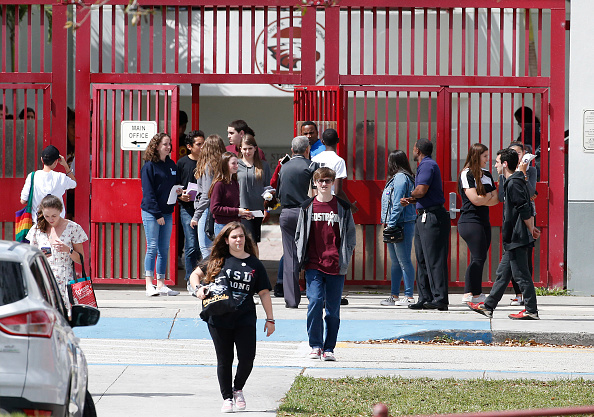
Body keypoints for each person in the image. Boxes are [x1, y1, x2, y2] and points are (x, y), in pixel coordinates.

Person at [195, 222, 275, 413]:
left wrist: (270, 319)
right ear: (226, 240)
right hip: (219, 317)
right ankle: (227, 398)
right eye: (234, 237)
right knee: (224, 359)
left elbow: (264, 293)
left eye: (241, 236)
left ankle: (237, 388)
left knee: (247, 359)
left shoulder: (255, 264)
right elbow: (195, 275)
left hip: (245, 318)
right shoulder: (217, 259)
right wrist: (199, 289)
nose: (238, 240)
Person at [468, 148, 541, 320]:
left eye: (497, 162)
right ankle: (488, 306)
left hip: (517, 236)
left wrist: (530, 228)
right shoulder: (513, 181)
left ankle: (531, 310)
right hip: (513, 236)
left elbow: (524, 207)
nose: (495, 165)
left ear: (505, 164)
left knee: (522, 275)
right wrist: (531, 227)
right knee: (503, 273)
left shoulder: (514, 182)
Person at [295, 167, 356, 361]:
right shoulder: (306, 207)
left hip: (336, 265)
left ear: (333, 183)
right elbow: (298, 236)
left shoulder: (343, 208)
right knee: (314, 303)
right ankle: (315, 345)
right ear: (315, 183)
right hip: (314, 265)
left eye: (327, 181)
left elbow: (351, 237)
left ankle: (329, 347)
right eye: (320, 181)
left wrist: (344, 256)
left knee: (333, 310)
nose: (323, 184)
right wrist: (300, 260)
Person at [401, 138, 450, 311]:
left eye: (413, 148)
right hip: (423, 216)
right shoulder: (425, 165)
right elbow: (422, 194)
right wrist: (411, 200)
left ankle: (440, 299)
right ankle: (425, 297)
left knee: (434, 259)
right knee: (422, 259)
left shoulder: (428, 165)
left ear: (417, 150)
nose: (412, 151)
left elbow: (421, 190)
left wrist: (410, 193)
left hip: (432, 217)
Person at [277, 136, 318, 308]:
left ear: (292, 150)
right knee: (312, 255)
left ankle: (291, 300)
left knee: (290, 256)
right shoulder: (311, 166)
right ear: (307, 149)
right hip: (305, 212)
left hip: (286, 213)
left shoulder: (283, 167)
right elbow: (317, 194)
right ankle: (314, 295)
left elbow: (278, 192)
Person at [26, 195, 88, 308]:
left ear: (61, 211)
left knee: (65, 315)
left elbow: (81, 259)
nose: (50, 219)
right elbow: (30, 257)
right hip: (43, 277)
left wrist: (68, 250)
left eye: (54, 216)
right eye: (46, 216)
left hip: (65, 278)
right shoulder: (37, 229)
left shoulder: (73, 228)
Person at [140, 132, 181, 297]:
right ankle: (149, 283)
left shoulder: (171, 165)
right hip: (152, 212)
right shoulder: (149, 166)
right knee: (152, 247)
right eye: (165, 144)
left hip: (167, 212)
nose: (168, 147)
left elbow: (175, 185)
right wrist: (157, 214)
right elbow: (148, 193)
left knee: (164, 248)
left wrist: (180, 191)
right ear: (156, 146)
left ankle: (161, 283)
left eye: (169, 144)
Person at [458, 143, 499, 304]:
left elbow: (496, 199)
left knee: (481, 256)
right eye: (485, 156)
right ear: (476, 156)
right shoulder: (466, 174)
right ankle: (468, 292)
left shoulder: (487, 174)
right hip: (470, 220)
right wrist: (486, 198)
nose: (488, 160)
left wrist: (484, 199)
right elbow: (474, 199)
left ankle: (477, 293)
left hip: (483, 220)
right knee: (477, 256)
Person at [501, 141, 538, 306]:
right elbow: (504, 193)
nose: (517, 156)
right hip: (512, 216)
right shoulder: (505, 172)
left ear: (524, 154)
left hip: (527, 216)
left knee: (523, 259)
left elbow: (531, 193)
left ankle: (527, 300)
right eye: (513, 153)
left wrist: (521, 174)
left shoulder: (531, 171)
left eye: (518, 153)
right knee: (510, 262)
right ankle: (518, 294)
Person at [379, 150, 417, 306]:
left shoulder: (401, 178)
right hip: (394, 224)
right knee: (396, 262)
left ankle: (408, 296)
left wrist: (391, 223)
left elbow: (397, 203)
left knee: (404, 261)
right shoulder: (396, 178)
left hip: (401, 224)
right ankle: (394, 296)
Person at [177, 130, 205, 293]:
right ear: (189, 147)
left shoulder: (207, 163)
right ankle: (190, 278)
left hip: (203, 209)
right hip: (187, 208)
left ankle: (202, 276)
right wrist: (182, 196)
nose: (202, 147)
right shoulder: (182, 163)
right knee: (191, 245)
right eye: (198, 144)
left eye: (203, 144)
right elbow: (176, 187)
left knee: (204, 245)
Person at [190, 134, 226, 258]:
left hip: (207, 211)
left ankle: (210, 277)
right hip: (222, 210)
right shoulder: (224, 166)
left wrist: (196, 215)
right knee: (220, 250)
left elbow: (206, 194)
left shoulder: (208, 167)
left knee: (206, 250)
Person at [20, 145, 76, 222]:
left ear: (42, 160)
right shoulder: (61, 177)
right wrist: (66, 166)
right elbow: (74, 183)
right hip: (57, 223)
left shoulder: (32, 176)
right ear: (56, 161)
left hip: (38, 222)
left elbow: (23, 200)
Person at [237, 134, 271, 253]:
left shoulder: (263, 165)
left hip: (257, 209)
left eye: (250, 148)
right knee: (245, 240)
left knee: (253, 241)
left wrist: (267, 209)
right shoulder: (235, 165)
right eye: (244, 148)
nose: (247, 151)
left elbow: (268, 188)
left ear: (255, 148)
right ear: (240, 148)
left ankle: (254, 268)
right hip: (241, 209)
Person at [209, 152, 254, 237]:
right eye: (233, 163)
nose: (236, 166)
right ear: (225, 165)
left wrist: (244, 214)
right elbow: (214, 208)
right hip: (222, 226)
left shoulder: (234, 182)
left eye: (237, 163)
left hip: (235, 225)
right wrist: (238, 211)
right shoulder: (219, 184)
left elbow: (234, 207)